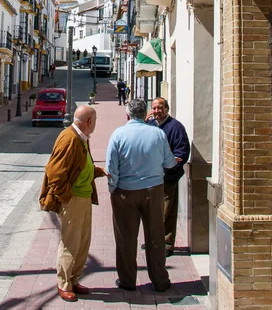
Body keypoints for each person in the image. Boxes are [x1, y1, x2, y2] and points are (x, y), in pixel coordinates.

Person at [106, 98, 177, 293]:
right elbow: (170, 162)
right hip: (153, 190)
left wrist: (113, 188)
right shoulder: (158, 133)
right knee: (155, 236)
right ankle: (160, 280)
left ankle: (127, 281)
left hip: (125, 191)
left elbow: (112, 167)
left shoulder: (118, 134)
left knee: (126, 239)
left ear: (127, 114)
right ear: (145, 113)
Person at [39, 105, 108, 302]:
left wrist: (97, 172)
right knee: (70, 243)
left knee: (83, 242)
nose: (95, 124)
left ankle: (74, 279)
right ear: (89, 122)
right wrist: (65, 198)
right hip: (73, 200)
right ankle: (64, 283)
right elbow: (54, 172)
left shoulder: (81, 138)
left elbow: (80, 165)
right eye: (94, 120)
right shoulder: (69, 138)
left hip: (83, 197)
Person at [145, 97, 190, 256]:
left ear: (167, 109)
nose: (157, 111)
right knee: (151, 213)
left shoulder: (176, 127)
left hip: (168, 179)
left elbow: (181, 153)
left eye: (160, 108)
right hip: (150, 180)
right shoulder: (149, 126)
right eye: (154, 108)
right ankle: (152, 242)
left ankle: (166, 245)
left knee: (166, 214)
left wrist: (167, 167)